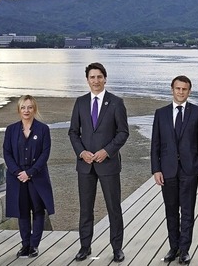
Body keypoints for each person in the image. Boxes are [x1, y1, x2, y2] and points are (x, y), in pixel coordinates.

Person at [68, 62, 129, 263]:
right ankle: (84, 247)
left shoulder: (116, 102)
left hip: (108, 164)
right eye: (92, 77)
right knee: (86, 209)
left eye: (99, 77)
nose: (96, 81)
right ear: (87, 80)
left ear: (105, 78)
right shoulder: (80, 102)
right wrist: (81, 152)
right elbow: (73, 132)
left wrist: (107, 151)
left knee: (114, 208)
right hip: (85, 165)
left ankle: (117, 248)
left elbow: (123, 132)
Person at [151, 75, 198, 264]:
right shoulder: (161, 113)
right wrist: (156, 169)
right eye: (178, 88)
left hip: (189, 170)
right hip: (168, 170)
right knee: (171, 211)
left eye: (184, 89)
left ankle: (184, 250)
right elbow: (155, 145)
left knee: (188, 211)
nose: (181, 92)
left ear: (189, 91)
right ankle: (173, 247)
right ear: (172, 89)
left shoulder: (197, 112)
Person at [3, 95, 55, 258]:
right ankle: (25, 245)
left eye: (30, 107)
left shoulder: (43, 129)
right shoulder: (11, 130)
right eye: (23, 107)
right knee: (22, 211)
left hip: (36, 176)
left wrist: (30, 173)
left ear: (34, 109)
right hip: (17, 177)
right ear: (19, 109)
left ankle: (34, 245)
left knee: (38, 211)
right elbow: (6, 152)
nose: (26, 110)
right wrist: (18, 172)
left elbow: (45, 154)